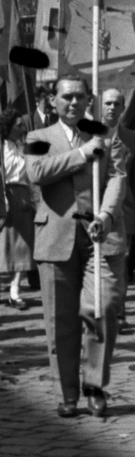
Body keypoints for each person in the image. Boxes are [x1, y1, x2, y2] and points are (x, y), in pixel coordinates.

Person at [24, 75, 127, 418]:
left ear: (89, 100)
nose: (74, 103)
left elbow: (116, 178)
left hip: (98, 237)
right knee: (61, 320)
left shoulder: (103, 135)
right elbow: (37, 172)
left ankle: (95, 386)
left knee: (103, 308)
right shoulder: (38, 137)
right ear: (53, 101)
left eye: (80, 97)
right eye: (66, 97)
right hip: (55, 237)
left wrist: (107, 214)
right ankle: (67, 393)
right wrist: (81, 154)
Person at [98, 88, 135, 332]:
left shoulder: (134, 139)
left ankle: (118, 313)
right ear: (99, 105)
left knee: (119, 266)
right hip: (90, 212)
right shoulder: (85, 135)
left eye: (117, 103)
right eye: (107, 103)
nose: (112, 108)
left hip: (123, 212)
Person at [2, 110, 36, 309]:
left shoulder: (23, 147)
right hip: (4, 197)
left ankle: (15, 291)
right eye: (18, 124)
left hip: (22, 198)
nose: (22, 127)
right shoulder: (2, 147)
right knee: (4, 246)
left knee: (21, 248)